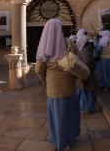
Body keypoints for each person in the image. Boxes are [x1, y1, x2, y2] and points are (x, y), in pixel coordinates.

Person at [35, 18, 88, 151]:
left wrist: (46, 81)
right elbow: (82, 61)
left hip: (53, 87)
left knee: (57, 116)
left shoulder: (44, 45)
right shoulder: (69, 43)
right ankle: (70, 137)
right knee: (70, 114)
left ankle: (59, 141)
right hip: (69, 85)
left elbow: (38, 69)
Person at [76, 34, 98, 114]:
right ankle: (86, 108)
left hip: (86, 75)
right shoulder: (84, 50)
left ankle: (87, 108)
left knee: (87, 92)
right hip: (86, 74)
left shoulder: (84, 50)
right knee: (86, 92)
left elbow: (87, 62)